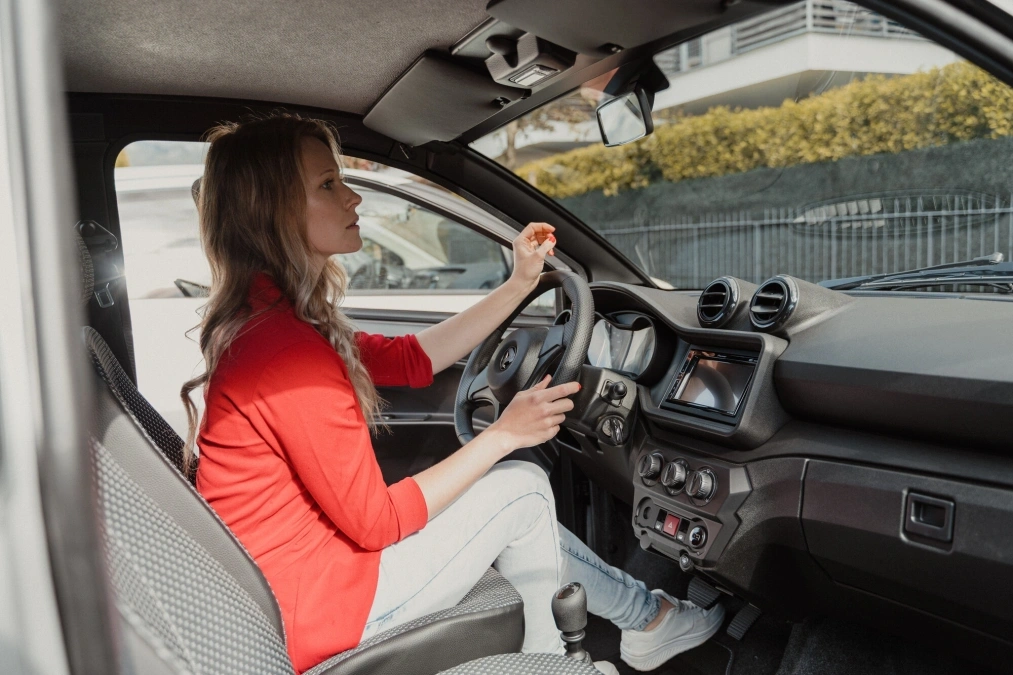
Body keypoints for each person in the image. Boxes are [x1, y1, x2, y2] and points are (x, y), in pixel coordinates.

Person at [181, 113, 724, 675]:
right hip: (318, 608)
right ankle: (565, 661)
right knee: (523, 489)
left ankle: (648, 619)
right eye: (327, 184)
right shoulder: (286, 353)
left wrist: (519, 283)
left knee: (514, 501)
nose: (352, 197)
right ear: (273, 211)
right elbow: (377, 523)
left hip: (297, 589)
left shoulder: (274, 321)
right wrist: (504, 435)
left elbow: (412, 358)